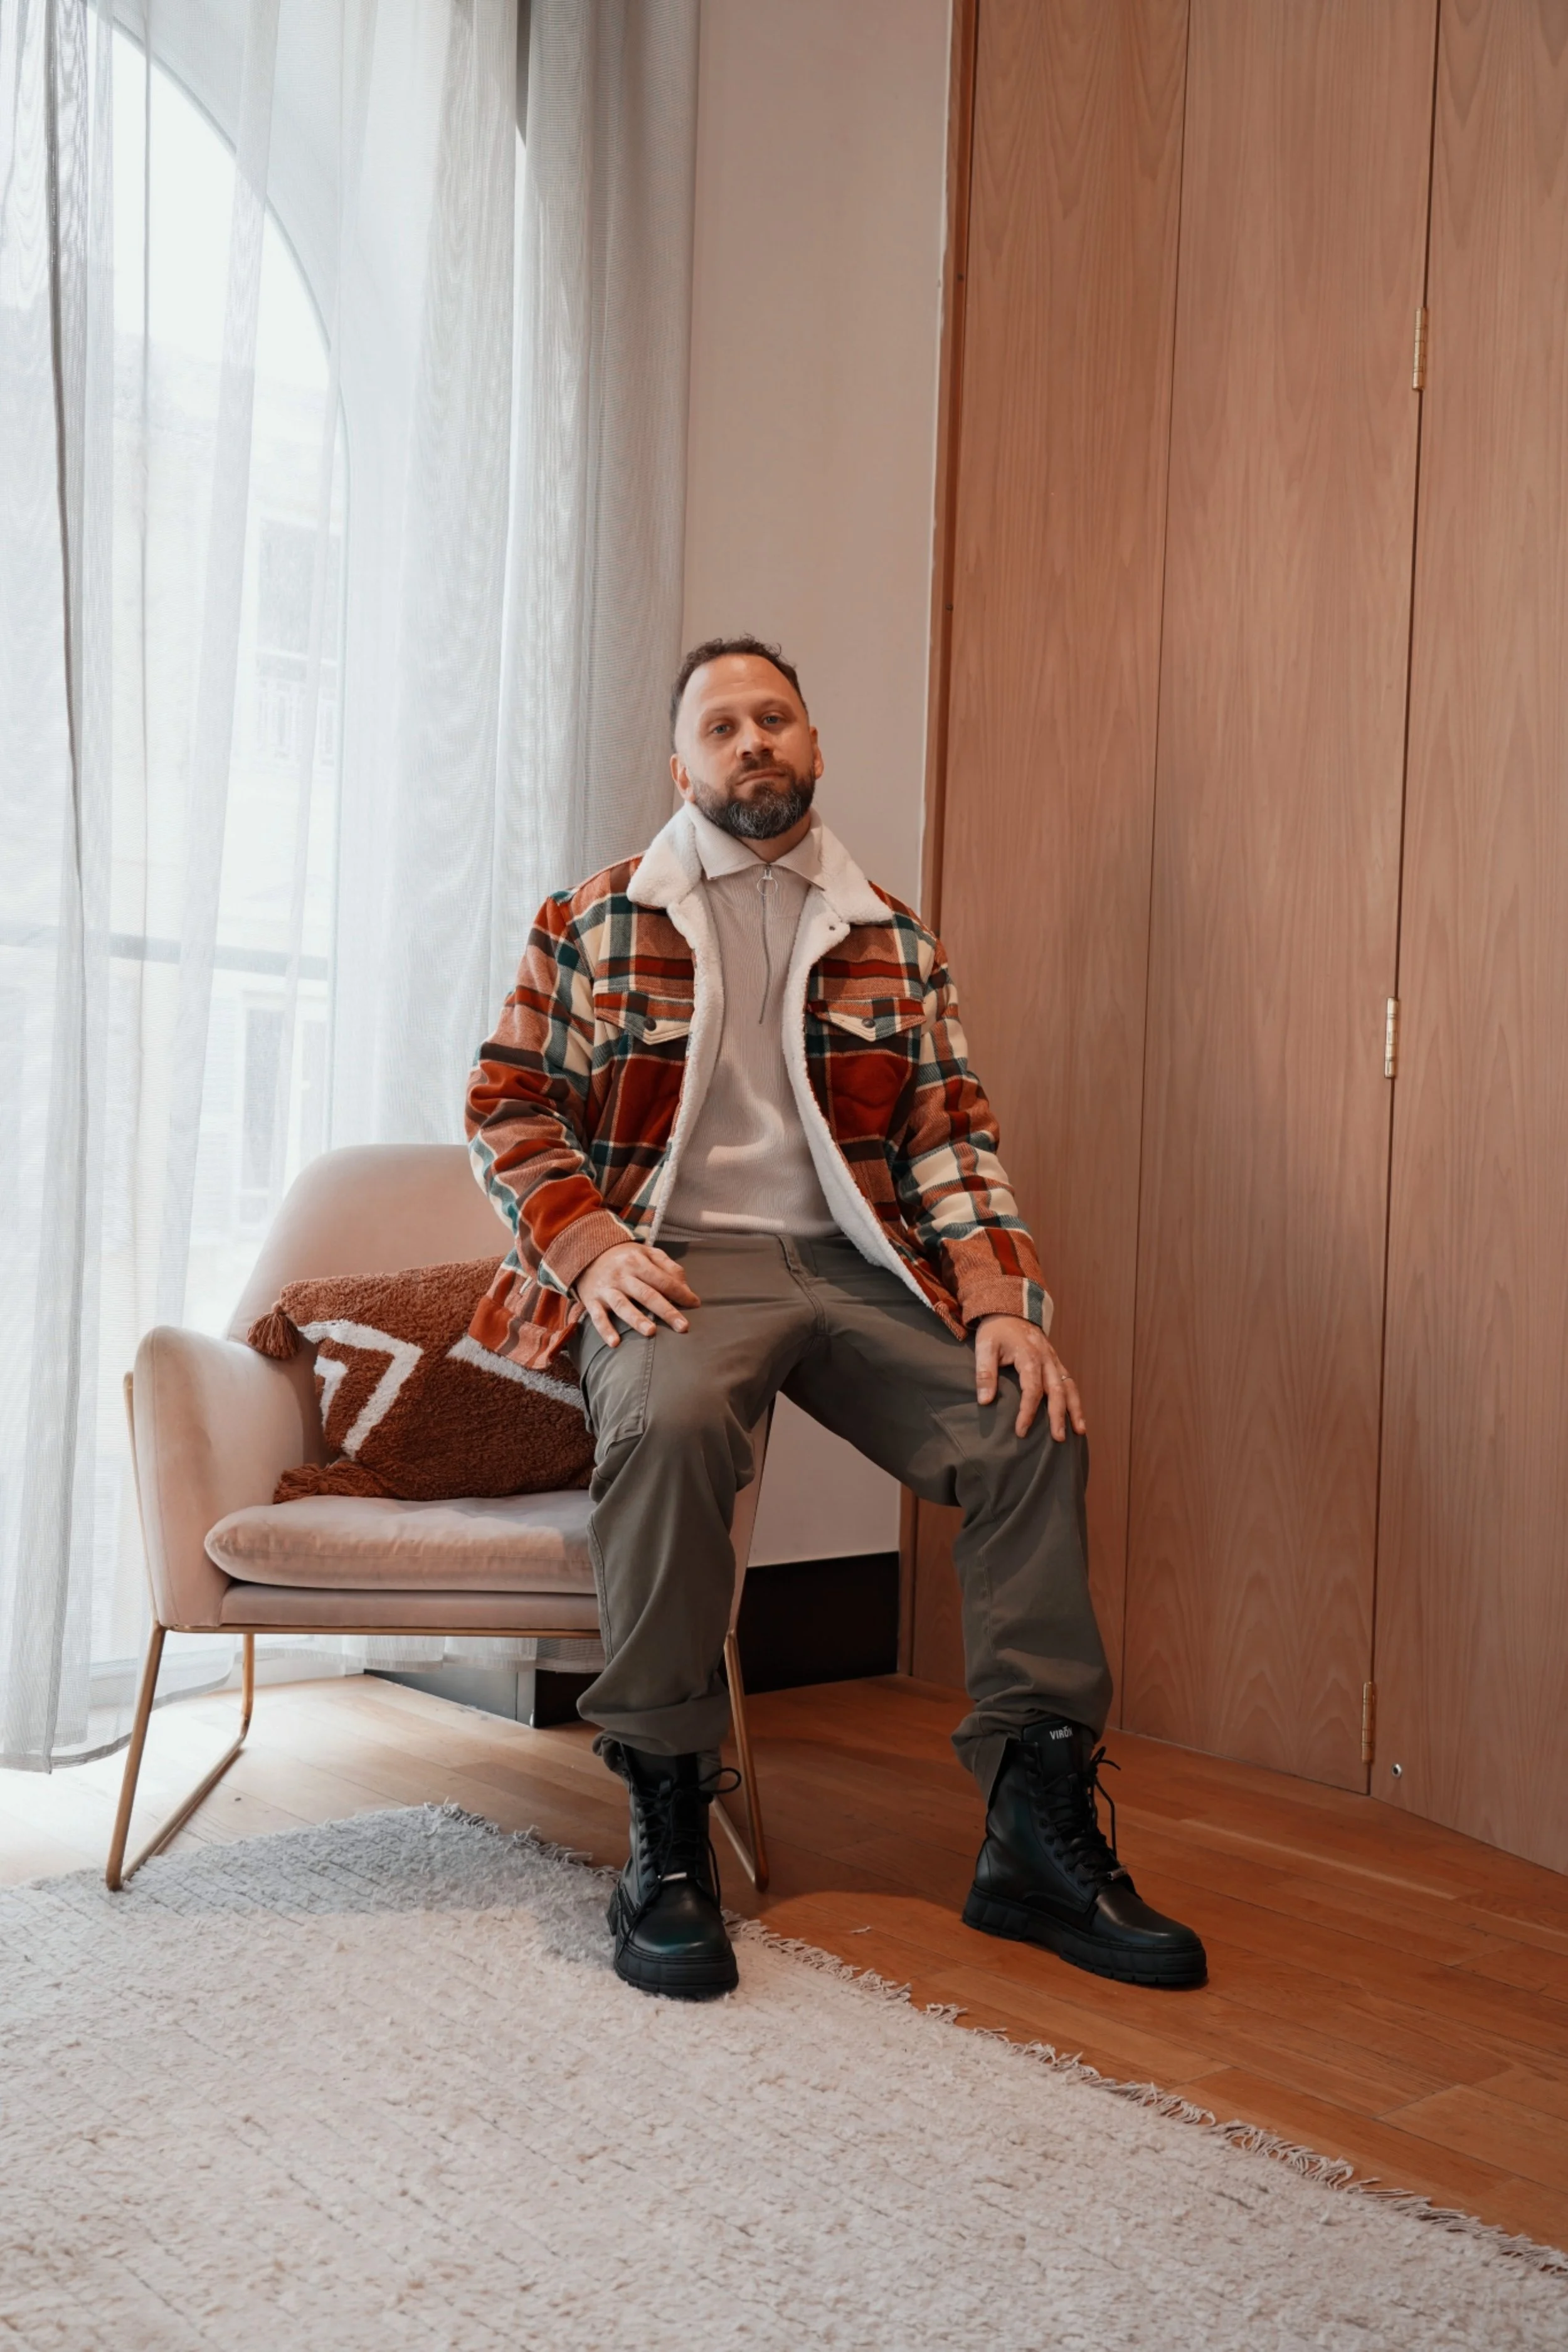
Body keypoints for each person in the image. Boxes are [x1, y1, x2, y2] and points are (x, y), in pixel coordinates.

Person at [466, 636, 1205, 2001]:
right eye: (722, 725)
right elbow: (509, 1102)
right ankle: (667, 1828)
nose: (752, 740)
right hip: (679, 1262)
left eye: (776, 717)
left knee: (1028, 1425)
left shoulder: (892, 938)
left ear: (813, 746)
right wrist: (590, 1247)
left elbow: (947, 1139)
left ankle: (1033, 1838)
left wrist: (1001, 1302)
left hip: (859, 1264)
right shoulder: (592, 917)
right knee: (672, 1425)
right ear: (679, 767)